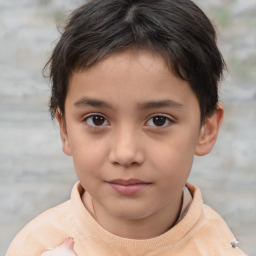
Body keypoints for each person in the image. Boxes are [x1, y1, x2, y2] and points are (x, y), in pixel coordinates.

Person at [7, 0, 247, 255]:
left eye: (159, 120)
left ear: (206, 130)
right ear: (64, 129)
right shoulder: (37, 246)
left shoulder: (220, 250)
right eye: (97, 120)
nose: (125, 154)